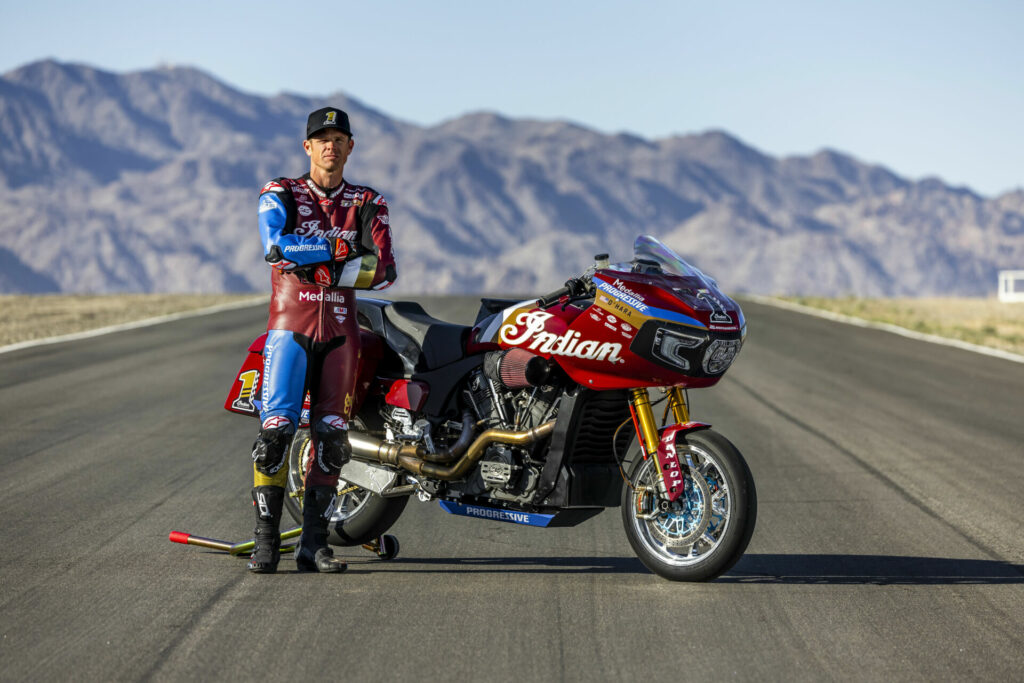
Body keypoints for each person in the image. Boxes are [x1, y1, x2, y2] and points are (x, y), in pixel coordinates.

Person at [247, 107, 397, 574]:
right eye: (321, 138)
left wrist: (310, 259)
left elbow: (385, 270)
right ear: (307, 146)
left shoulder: (369, 200)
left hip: (342, 334)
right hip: (290, 329)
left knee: (332, 440)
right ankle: (266, 541)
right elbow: (275, 246)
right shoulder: (281, 191)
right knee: (275, 437)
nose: (330, 145)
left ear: (351, 147)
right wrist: (340, 250)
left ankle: (313, 544)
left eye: (339, 138)